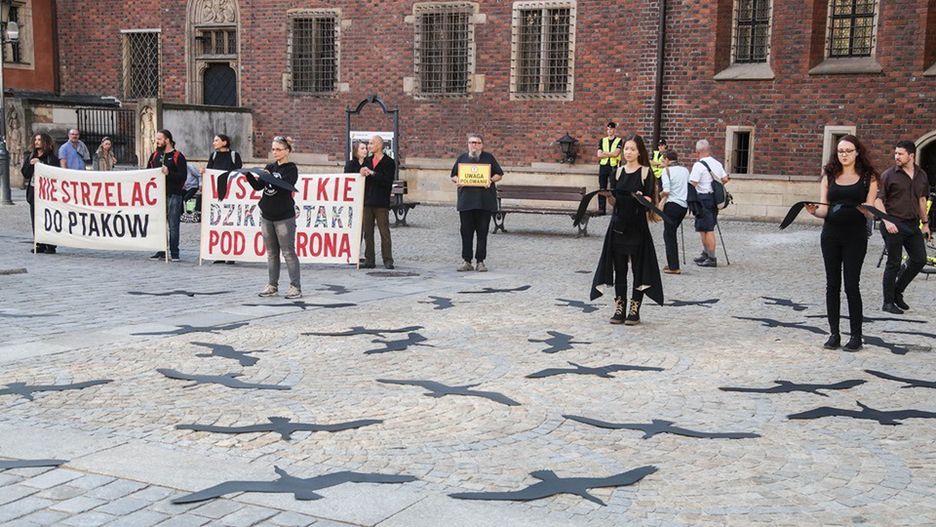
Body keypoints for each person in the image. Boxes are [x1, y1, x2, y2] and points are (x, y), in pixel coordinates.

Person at [805, 135, 879, 351]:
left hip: (855, 235)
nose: (844, 154)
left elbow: (870, 211)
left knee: (851, 285)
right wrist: (814, 211)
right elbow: (824, 209)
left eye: (848, 150)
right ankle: (834, 333)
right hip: (830, 235)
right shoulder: (829, 175)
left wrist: (867, 210)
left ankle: (856, 336)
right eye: (840, 151)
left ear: (857, 152)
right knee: (832, 285)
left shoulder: (869, 177)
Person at [591, 134, 663, 325]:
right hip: (618, 226)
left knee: (638, 269)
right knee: (620, 268)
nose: (628, 152)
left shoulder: (646, 172)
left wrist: (641, 198)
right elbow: (615, 202)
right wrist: (608, 197)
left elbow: (649, 200)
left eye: (632, 149)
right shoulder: (617, 172)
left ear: (639, 152)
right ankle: (620, 306)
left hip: (637, 226)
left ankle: (634, 308)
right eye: (626, 149)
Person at [875, 140, 931, 315]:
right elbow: (878, 200)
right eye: (896, 153)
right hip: (893, 223)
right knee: (893, 262)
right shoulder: (888, 175)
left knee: (919, 259)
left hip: (912, 224)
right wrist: (887, 221)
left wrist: (926, 224)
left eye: (900, 154)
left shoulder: (922, 175)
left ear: (911, 155)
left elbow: (922, 200)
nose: (896, 156)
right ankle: (888, 302)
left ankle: (897, 292)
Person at [246, 136, 301, 299]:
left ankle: (295, 286)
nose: (275, 152)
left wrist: (269, 177)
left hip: (284, 216)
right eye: (273, 149)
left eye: (278, 149)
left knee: (288, 252)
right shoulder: (270, 166)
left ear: (287, 151)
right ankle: (272, 285)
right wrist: (250, 176)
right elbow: (258, 186)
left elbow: (285, 187)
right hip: (267, 214)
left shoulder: (291, 169)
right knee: (271, 253)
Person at [450, 134, 504, 272]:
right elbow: (453, 176)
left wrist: (490, 180)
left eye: (477, 143)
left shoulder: (488, 158)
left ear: (482, 145)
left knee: (482, 232)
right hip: (466, 202)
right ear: (468, 144)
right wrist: (458, 180)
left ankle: (480, 261)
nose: (474, 145)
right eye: (472, 142)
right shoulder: (462, 158)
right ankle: (466, 261)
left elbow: (499, 174)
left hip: (484, 202)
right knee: (466, 232)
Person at [146, 130, 188, 262]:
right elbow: (148, 172)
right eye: (156, 139)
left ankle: (174, 252)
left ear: (167, 140)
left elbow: (183, 176)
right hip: (158, 195)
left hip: (173, 194)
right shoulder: (154, 155)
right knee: (159, 224)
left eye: (159, 139)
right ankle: (161, 250)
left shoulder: (178, 156)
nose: (156, 141)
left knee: (173, 225)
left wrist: (169, 172)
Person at [689, 139, 729, 267]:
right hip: (713, 199)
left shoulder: (698, 165)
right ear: (709, 150)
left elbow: (693, 184)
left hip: (703, 198)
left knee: (707, 229)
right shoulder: (716, 163)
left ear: (697, 152)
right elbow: (725, 179)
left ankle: (711, 257)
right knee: (703, 227)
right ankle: (705, 253)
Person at [203, 133, 243, 264]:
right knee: (218, 224)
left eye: (216, 140)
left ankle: (231, 254)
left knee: (231, 224)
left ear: (224, 142)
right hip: (217, 196)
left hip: (231, 195)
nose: (214, 143)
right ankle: (220, 253)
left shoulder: (234, 155)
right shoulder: (213, 156)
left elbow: (239, 172)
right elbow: (210, 172)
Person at [359, 135, 396, 269]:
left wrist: (373, 173)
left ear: (379, 145)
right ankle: (370, 260)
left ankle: (388, 259)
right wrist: (361, 171)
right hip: (367, 201)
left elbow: (387, 181)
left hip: (381, 202)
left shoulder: (389, 162)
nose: (369, 146)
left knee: (384, 232)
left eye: (371, 143)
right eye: (368, 143)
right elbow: (360, 177)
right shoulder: (367, 161)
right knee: (368, 233)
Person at [22, 133, 59, 254]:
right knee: (35, 219)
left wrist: (41, 164)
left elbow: (54, 172)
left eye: (40, 140)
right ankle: (39, 243)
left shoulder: (51, 157)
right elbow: (25, 174)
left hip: (47, 193)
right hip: (34, 192)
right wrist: (31, 164)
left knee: (48, 218)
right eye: (36, 140)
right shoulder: (31, 155)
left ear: (45, 142)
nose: (37, 142)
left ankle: (50, 245)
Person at [660, 149, 690, 274]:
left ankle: (674, 266)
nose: (662, 162)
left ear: (667, 159)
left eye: (663, 160)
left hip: (671, 205)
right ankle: (673, 263)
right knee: (671, 233)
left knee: (669, 235)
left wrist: (660, 195)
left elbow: (666, 191)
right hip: (683, 206)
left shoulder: (666, 171)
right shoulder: (685, 170)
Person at [595, 122, 622, 215]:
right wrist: (610, 153)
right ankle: (601, 209)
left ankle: (616, 209)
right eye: (607, 129)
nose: (609, 131)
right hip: (603, 166)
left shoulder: (619, 140)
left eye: (611, 129)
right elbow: (599, 154)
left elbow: (616, 154)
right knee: (602, 188)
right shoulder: (602, 140)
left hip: (614, 166)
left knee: (614, 188)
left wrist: (605, 153)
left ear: (614, 130)